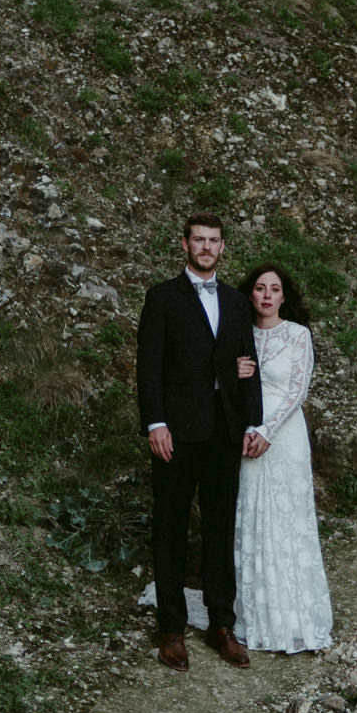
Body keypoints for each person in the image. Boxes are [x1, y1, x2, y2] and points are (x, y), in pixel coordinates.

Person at [136, 214, 264, 672]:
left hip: (224, 434)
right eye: (198, 240)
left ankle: (221, 625)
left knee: (219, 529)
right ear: (185, 244)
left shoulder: (234, 301)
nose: (206, 248)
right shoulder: (162, 298)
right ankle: (171, 628)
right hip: (176, 433)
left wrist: (253, 423)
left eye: (213, 241)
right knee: (169, 526)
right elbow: (148, 368)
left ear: (222, 247)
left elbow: (246, 363)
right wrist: (155, 423)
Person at [232, 261, 333, 654]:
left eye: (274, 289)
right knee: (256, 517)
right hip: (247, 435)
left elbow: (298, 389)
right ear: (251, 294)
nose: (267, 295)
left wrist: (266, 431)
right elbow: (221, 387)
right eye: (260, 288)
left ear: (283, 296)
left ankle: (296, 619)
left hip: (283, 434)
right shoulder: (239, 336)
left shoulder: (297, 335)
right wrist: (232, 373)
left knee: (289, 519)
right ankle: (258, 617)